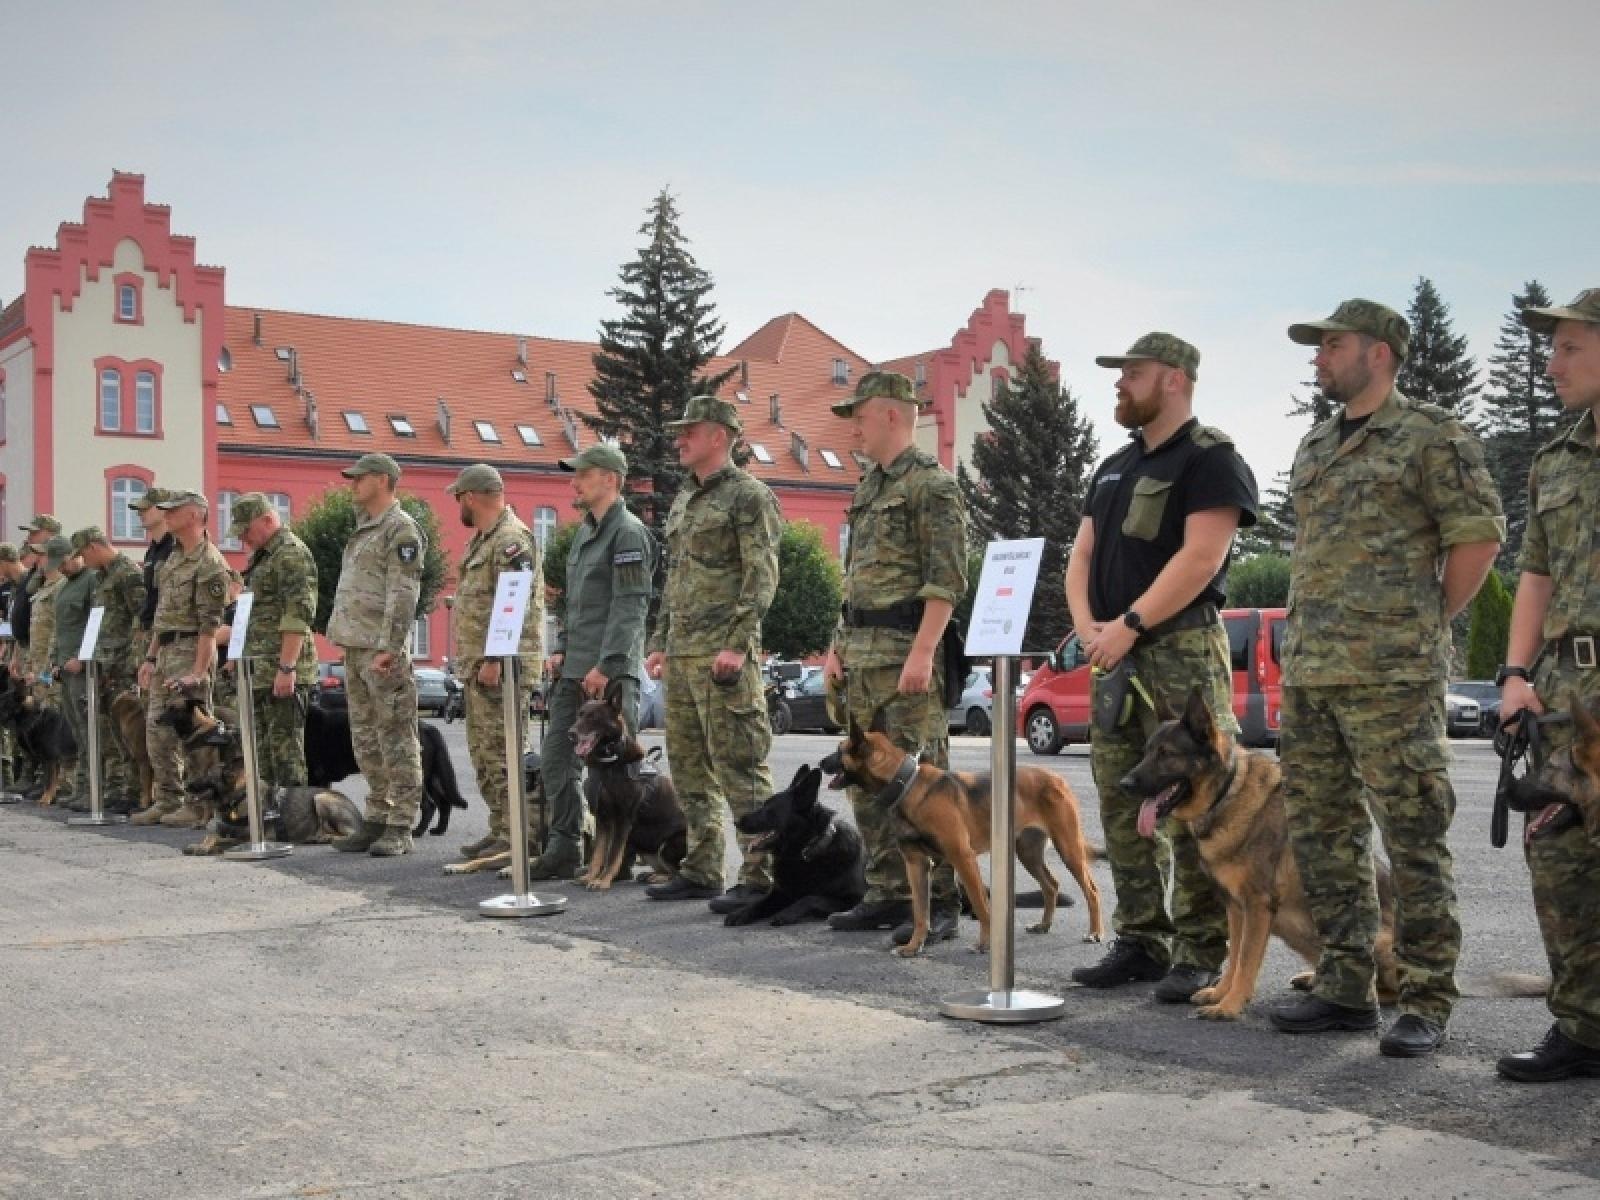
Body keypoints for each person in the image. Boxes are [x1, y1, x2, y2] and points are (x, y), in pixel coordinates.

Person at [1271, 299, 1504, 1057]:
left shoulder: (1433, 437)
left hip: (1392, 676)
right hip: (1312, 676)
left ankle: (1428, 995)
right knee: (1324, 836)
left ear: (1379, 354)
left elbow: (1476, 540)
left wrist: (1425, 621)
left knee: (1413, 835)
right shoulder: (1313, 446)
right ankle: (1346, 984)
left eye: (1330, 345)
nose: (1317, 357)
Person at [1065, 332, 1258, 1000]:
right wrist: (1090, 626)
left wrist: (1131, 624)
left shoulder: (1210, 460)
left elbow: (1201, 558)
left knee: (1196, 801)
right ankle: (1140, 939)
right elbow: (1082, 555)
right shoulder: (1113, 466)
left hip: (1176, 647)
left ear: (1173, 379)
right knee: (1125, 800)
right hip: (1112, 654)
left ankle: (1200, 950)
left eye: (1132, 373)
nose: (1120, 384)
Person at [1493, 288, 1600, 1082]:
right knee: (1558, 858)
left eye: (1569, 347)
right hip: (1565, 687)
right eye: (1551, 347)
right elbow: (1533, 574)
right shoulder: (1555, 459)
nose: (1551, 362)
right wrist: (1517, 674)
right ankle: (1585, 1028)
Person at [823, 371, 968, 943]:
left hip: (906, 655)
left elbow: (946, 580)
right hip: (862, 654)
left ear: (889, 415)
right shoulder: (867, 487)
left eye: (858, 416)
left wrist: (924, 653)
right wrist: (838, 647)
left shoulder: (933, 486)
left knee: (924, 786)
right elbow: (853, 577)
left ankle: (945, 902)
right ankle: (885, 894)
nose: (852, 428)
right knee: (865, 782)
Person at [644, 395, 782, 904]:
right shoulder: (685, 499)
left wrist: (738, 644)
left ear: (719, 436)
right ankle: (701, 867)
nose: (679, 439)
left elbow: (761, 575)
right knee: (689, 769)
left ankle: (761, 877)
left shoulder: (750, 496)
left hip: (723, 656)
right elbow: (675, 579)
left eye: (690, 431)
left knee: (740, 767)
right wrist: (659, 642)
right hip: (682, 655)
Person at [529, 443, 654, 881]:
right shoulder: (584, 533)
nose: (573, 482)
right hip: (575, 668)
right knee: (556, 759)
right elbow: (574, 602)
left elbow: (630, 606)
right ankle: (565, 847)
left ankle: (622, 859)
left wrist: (607, 664)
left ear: (609, 479)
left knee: (619, 775)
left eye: (582, 474)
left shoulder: (629, 533)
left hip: (609, 672)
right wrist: (561, 645)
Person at [326, 454, 426, 858]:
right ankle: (377, 816)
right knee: (366, 737)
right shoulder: (364, 528)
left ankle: (401, 824)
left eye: (360, 478)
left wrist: (389, 646)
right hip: (356, 646)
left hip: (382, 650)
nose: (352, 484)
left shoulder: (400, 529)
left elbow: (403, 594)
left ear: (383, 480)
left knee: (397, 737)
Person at [445, 464, 544, 861]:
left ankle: (519, 834)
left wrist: (495, 658)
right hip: (480, 668)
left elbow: (513, 602)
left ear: (471, 496)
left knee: (505, 753)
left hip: (501, 669)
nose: (458, 506)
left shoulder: (510, 540)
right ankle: (501, 826)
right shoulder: (483, 540)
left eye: (458, 497)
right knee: (485, 754)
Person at [131, 491, 232, 827]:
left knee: (196, 734)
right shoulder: (173, 558)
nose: (167, 516)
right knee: (157, 729)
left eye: (173, 511)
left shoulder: (210, 563)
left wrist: (199, 671)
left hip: (192, 651)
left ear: (193, 516)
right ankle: (168, 798)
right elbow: (161, 616)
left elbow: (209, 625)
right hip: (166, 651)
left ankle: (199, 804)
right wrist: (150, 657)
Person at [230, 493, 318, 800]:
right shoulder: (263, 557)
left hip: (281, 669)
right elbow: (250, 612)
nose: (242, 538)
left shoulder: (290, 555)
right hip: (258, 667)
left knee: (286, 754)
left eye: (246, 530)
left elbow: (297, 614)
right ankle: (268, 818)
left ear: (267, 520)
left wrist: (287, 667)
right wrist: (236, 656)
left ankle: (296, 819)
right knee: (262, 754)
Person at [72, 527, 147, 814]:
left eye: (82, 554)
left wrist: (136, 662)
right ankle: (120, 788)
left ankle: (135, 790)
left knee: (130, 732)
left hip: (124, 664)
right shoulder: (102, 577)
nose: (83, 560)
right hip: (105, 665)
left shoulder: (127, 573)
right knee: (113, 732)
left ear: (93, 547)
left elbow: (140, 620)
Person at [131, 487, 179, 811]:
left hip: (172, 641)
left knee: (168, 723)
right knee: (153, 724)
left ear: (163, 510)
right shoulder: (154, 551)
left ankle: (176, 796)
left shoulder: (174, 549)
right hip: (154, 636)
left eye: (145, 509)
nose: (139, 514)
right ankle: (164, 797)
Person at [50, 537, 100, 812]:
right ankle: (81, 787)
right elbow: (61, 628)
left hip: (82, 668)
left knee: (87, 728)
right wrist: (55, 661)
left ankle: (92, 788)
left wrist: (84, 657)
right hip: (65, 669)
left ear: (74, 555)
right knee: (76, 731)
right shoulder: (64, 586)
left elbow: (95, 622)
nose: (62, 569)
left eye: (64, 563)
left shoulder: (91, 580)